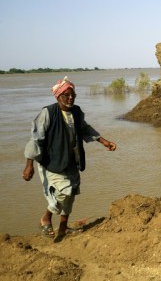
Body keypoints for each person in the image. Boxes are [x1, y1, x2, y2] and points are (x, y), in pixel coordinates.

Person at [22, 76, 117, 241]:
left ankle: (63, 228)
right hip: (51, 162)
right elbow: (35, 139)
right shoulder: (48, 113)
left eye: (73, 95)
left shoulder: (76, 112)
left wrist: (104, 142)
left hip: (72, 160)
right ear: (58, 97)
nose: (70, 98)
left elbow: (85, 129)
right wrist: (29, 164)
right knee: (62, 193)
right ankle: (45, 218)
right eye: (66, 95)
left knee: (70, 194)